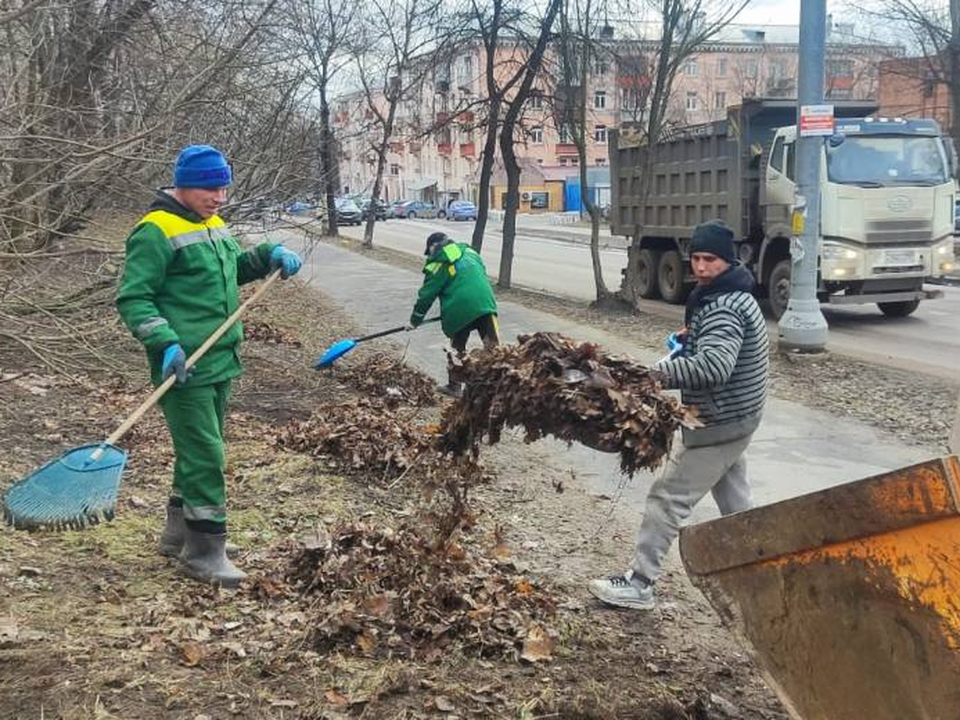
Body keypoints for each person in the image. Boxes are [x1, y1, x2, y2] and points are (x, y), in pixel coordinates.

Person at [116, 144, 302, 587]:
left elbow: (230, 269)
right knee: (207, 454)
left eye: (223, 187)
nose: (218, 197)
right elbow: (133, 298)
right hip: (183, 364)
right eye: (209, 188)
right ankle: (204, 551)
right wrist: (164, 343)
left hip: (220, 359)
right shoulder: (154, 231)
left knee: (200, 448)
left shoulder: (212, 223)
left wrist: (266, 256)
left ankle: (179, 534)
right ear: (182, 184)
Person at [589, 219, 769, 610]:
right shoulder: (731, 293)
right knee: (736, 506)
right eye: (697, 259)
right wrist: (692, 340)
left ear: (729, 260)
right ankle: (767, 571)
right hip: (739, 416)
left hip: (721, 422)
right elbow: (717, 350)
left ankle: (639, 584)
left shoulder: (724, 308)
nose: (701, 268)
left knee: (666, 499)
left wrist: (656, 375)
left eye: (711, 260)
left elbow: (715, 367)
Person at [410, 232, 499, 398]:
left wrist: (415, 320)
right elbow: (479, 272)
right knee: (494, 348)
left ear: (433, 247)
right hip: (486, 303)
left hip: (459, 310)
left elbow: (426, 296)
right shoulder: (470, 252)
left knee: (457, 349)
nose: (429, 255)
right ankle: (497, 388)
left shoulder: (437, 265)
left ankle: (455, 386)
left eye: (429, 252)